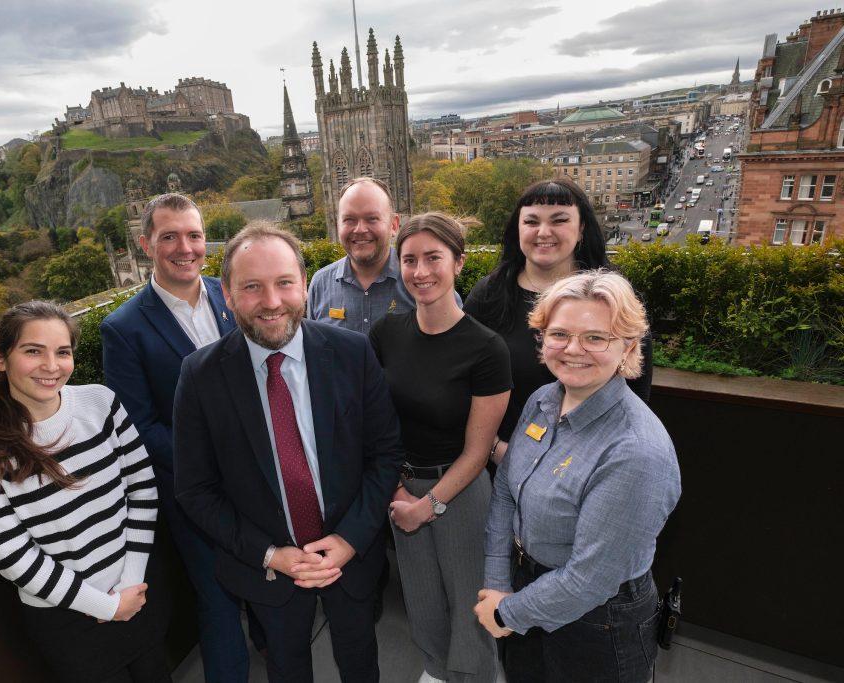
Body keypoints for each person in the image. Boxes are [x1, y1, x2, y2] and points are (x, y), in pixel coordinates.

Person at [173, 222, 404, 683]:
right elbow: (196, 490)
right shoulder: (199, 377)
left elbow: (385, 455)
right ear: (229, 295)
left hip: (350, 559)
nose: (272, 302)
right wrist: (269, 554)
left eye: (283, 283)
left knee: (360, 657)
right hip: (265, 569)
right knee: (286, 664)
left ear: (304, 284)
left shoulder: (353, 353)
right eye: (252, 287)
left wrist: (350, 539)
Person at [475, 271, 681, 683]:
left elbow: (590, 580)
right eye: (559, 334)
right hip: (525, 588)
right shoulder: (541, 400)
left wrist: (506, 611)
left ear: (628, 346)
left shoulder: (635, 452)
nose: (573, 349)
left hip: (598, 622)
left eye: (595, 337)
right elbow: (505, 492)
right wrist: (498, 582)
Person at [0, 301, 165, 683]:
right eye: (33, 351)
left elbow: (143, 489)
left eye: (62, 352)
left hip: (135, 590)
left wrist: (129, 585)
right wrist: (103, 605)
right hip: (67, 619)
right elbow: (12, 556)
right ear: (0, 359)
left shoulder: (102, 404)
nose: (51, 366)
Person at [98, 193, 249, 682]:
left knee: (272, 581)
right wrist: (213, 464)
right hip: (193, 491)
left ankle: (276, 645)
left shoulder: (233, 294)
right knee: (218, 599)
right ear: (146, 244)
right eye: (170, 237)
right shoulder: (123, 329)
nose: (185, 248)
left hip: (262, 475)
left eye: (194, 235)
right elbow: (138, 428)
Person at [370, 212, 511, 683]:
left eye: (434, 257)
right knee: (423, 600)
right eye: (409, 260)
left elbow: (477, 451)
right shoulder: (386, 334)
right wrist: (397, 493)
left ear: (459, 263)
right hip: (403, 488)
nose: (421, 271)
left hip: (462, 492)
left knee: (472, 607)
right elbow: (377, 424)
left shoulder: (486, 349)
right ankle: (434, 670)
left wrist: (429, 504)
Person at [463, 178, 652, 467]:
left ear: (582, 229)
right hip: (498, 465)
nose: (543, 232)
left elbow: (636, 388)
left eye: (559, 220)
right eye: (531, 221)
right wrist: (495, 449)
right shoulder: (489, 295)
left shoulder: (611, 297)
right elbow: (460, 375)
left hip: (584, 468)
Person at [309, 177, 461, 332]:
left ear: (394, 225)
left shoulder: (423, 282)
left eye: (372, 219)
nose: (360, 229)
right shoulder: (320, 284)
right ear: (337, 225)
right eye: (349, 220)